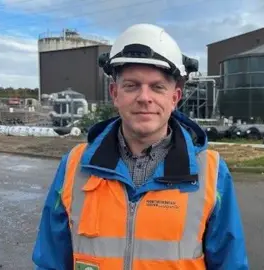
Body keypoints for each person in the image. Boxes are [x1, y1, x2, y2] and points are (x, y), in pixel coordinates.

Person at [32, 23, 249, 270]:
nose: (144, 97)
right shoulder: (74, 166)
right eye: (132, 85)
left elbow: (230, 264)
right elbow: (50, 261)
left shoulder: (211, 173)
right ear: (115, 93)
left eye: (157, 87)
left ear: (174, 98)